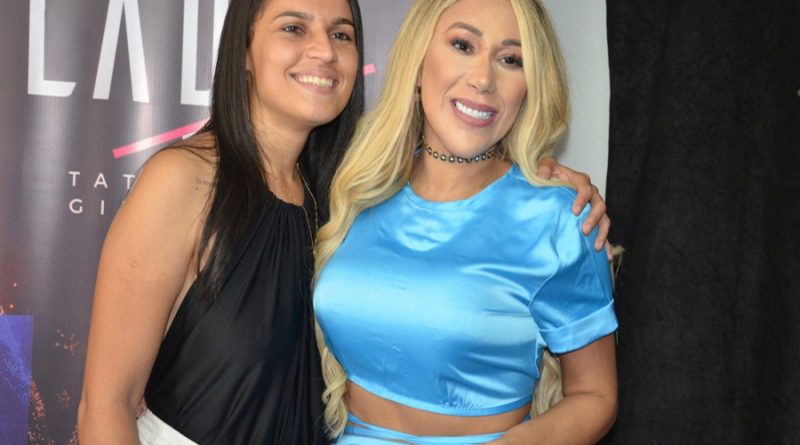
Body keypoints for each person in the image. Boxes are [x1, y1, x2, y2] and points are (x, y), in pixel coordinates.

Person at [78, 0, 609, 443]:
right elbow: (106, 404)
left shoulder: (342, 191)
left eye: (341, 34)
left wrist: (548, 188)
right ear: (243, 48)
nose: (324, 51)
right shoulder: (186, 180)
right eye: (293, 28)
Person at [313, 0, 618, 444]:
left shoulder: (560, 218)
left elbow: (596, 395)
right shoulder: (360, 188)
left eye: (510, 59)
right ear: (419, 61)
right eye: (462, 45)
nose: (483, 79)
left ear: (530, 86)